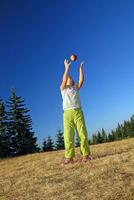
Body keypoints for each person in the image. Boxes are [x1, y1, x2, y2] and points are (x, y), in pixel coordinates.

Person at [60, 59, 92, 165]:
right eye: (68, 77)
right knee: (68, 136)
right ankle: (69, 157)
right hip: (67, 114)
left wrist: (80, 69)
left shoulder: (75, 88)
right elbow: (64, 79)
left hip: (78, 111)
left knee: (82, 133)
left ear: (73, 82)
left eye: (71, 78)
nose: (69, 78)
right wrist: (67, 68)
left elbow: (81, 80)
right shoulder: (63, 88)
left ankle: (85, 155)